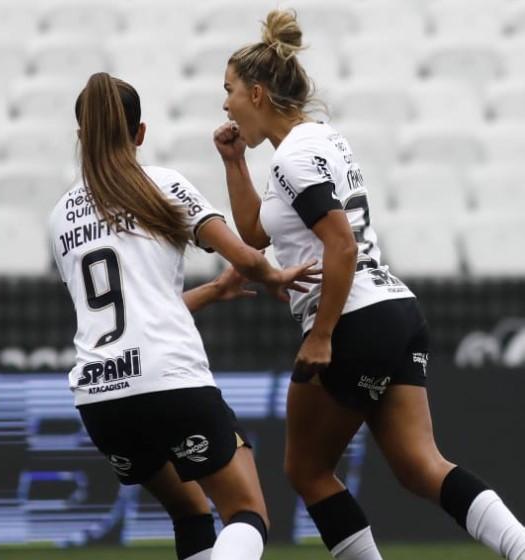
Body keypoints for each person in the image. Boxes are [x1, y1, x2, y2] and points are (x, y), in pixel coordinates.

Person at [215, 10, 525, 560]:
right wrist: (234, 162)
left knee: (306, 470)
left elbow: (341, 245)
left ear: (258, 94)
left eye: (230, 90)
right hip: (395, 311)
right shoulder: (322, 141)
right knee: (420, 466)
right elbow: (256, 233)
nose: (225, 103)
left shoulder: (292, 158)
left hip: (352, 318)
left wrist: (322, 335)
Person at [50, 72, 319, 560]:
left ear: (80, 136)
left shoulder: (61, 215)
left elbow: (129, 308)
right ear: (140, 134)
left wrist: (215, 291)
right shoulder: (162, 185)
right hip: (169, 381)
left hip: (100, 397)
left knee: (191, 511)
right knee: (246, 513)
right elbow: (245, 254)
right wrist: (273, 276)